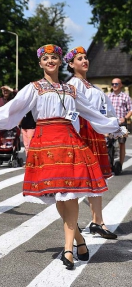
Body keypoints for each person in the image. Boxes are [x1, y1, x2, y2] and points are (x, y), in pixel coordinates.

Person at [0, 44, 126, 270]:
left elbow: (91, 112)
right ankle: (79, 241)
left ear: (60, 62)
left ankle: (69, 249)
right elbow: (13, 109)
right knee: (59, 196)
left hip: (69, 142)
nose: (50, 61)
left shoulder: (72, 90)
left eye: (54, 58)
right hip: (45, 143)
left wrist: (116, 127)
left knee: (69, 195)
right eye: (46, 58)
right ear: (40, 63)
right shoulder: (34, 88)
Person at [65, 46, 118, 239]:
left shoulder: (92, 86)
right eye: (79, 59)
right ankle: (72, 223)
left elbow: (106, 109)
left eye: (86, 58)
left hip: (95, 132)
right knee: (79, 179)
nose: (84, 61)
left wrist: (114, 126)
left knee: (97, 180)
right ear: (71, 64)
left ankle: (98, 221)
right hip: (81, 133)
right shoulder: (72, 85)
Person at [108, 77, 132, 170]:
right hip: (111, 123)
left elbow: (131, 109)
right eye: (113, 84)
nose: (114, 85)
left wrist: (125, 118)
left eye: (116, 84)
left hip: (122, 124)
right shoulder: (108, 97)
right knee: (109, 143)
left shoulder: (125, 97)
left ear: (120, 85)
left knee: (121, 143)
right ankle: (109, 163)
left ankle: (120, 165)